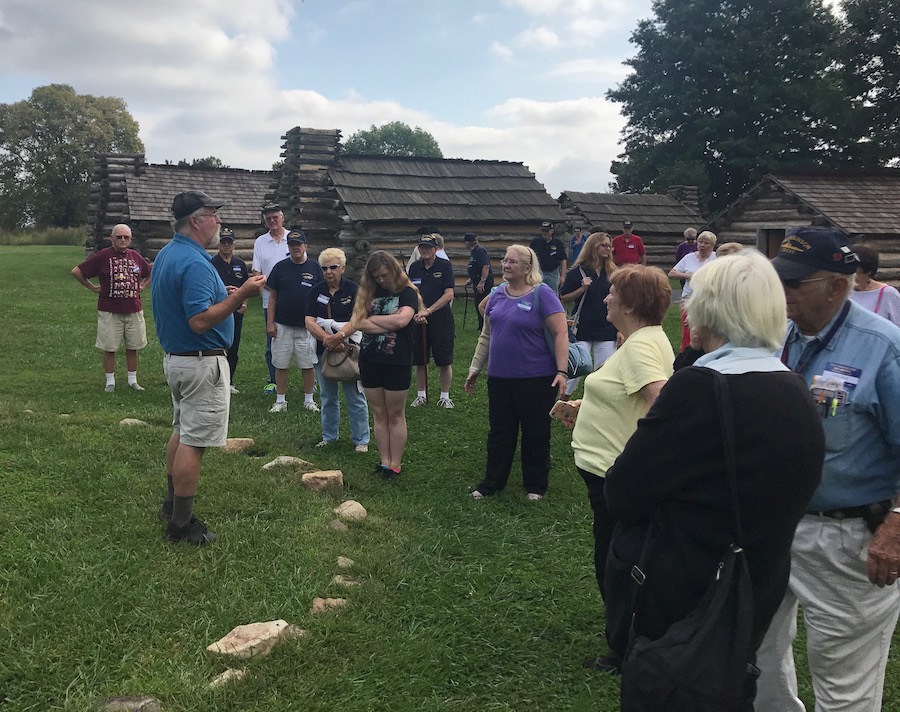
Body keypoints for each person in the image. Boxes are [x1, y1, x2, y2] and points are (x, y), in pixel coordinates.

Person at [603, 250, 825, 708]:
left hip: (688, 588)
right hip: (757, 583)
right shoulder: (796, 388)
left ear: (708, 310)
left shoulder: (699, 387)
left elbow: (623, 491)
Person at [754, 226, 900, 712]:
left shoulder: (883, 348)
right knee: (759, 658)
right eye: (780, 280)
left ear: (838, 285)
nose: (784, 293)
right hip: (775, 529)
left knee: (844, 687)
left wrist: (896, 527)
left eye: (796, 282)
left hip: (851, 541)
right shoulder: (776, 336)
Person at [555, 264, 673, 671]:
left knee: (616, 564)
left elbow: (660, 404)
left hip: (615, 474)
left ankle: (624, 649)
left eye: (612, 293)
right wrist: (584, 406)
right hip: (608, 472)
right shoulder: (641, 340)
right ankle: (628, 636)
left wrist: (640, 460)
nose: (605, 298)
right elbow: (629, 397)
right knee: (615, 558)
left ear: (631, 302)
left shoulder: (640, 347)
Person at [151, 190, 266, 545]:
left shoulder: (169, 254)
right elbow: (199, 321)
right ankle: (181, 526)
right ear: (195, 221)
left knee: (181, 430)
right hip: (201, 362)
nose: (218, 221)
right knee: (194, 441)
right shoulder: (197, 263)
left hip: (178, 361)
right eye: (213, 214)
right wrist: (238, 296)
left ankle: (172, 506)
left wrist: (225, 297)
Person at [465, 245, 569, 501]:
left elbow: (561, 333)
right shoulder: (498, 294)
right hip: (499, 378)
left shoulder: (542, 294)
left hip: (535, 378)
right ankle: (492, 483)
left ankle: (535, 485)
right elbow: (487, 334)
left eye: (512, 261)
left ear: (526, 267)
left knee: (535, 431)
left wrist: (561, 371)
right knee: (500, 432)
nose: (505, 265)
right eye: (504, 260)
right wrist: (475, 368)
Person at [348, 251, 423, 479]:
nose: (381, 280)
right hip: (370, 359)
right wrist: (386, 324)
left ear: (393, 270)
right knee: (379, 413)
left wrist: (371, 321)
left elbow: (402, 320)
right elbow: (357, 323)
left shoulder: (407, 293)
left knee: (395, 414)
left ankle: (395, 465)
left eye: (384, 275)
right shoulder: (367, 293)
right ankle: (384, 462)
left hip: (397, 360)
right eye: (376, 276)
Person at [71, 223, 151, 392]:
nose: (123, 240)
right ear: (112, 238)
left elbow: (151, 272)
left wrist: (142, 286)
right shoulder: (102, 256)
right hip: (109, 310)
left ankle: (132, 380)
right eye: (119, 237)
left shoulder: (135, 256)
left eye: (126, 237)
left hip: (133, 309)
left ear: (130, 239)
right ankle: (110, 381)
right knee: (109, 347)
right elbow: (77, 271)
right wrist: (92, 287)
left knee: (133, 345)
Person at [305, 248, 370, 452]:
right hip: (324, 350)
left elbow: (359, 318)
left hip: (350, 348)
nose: (328, 272)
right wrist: (327, 339)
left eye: (333, 267)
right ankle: (329, 436)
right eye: (324, 268)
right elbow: (309, 320)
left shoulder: (354, 289)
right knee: (327, 396)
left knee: (355, 396)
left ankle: (361, 439)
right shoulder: (316, 291)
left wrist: (340, 336)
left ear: (343, 267)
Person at [266, 230, 322, 413]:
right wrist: (270, 322)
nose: (295, 248)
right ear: (288, 247)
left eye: (299, 244)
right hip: (282, 324)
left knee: (307, 363)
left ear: (305, 246)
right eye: (292, 245)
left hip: (307, 325)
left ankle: (309, 399)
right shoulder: (280, 268)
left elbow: (321, 296)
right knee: (281, 363)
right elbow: (272, 296)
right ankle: (280, 401)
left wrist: (319, 322)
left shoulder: (315, 268)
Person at [558, 232, 618, 399]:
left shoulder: (613, 272)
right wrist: (582, 289)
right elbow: (564, 297)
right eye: (603, 245)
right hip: (582, 327)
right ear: (593, 247)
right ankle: (561, 403)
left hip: (607, 328)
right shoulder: (578, 272)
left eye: (609, 245)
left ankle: (598, 404)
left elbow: (621, 300)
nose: (607, 248)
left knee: (604, 371)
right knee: (575, 369)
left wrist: (620, 329)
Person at [408, 235, 456, 408]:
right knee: (420, 359)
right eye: (422, 247)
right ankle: (421, 395)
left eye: (429, 247)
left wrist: (428, 311)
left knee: (444, 358)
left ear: (436, 249)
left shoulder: (445, 266)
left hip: (440, 318)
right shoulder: (414, 267)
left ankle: (445, 396)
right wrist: (419, 311)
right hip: (419, 319)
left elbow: (449, 294)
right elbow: (411, 292)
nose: (425, 250)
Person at [251, 202, 290, 394]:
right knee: (272, 340)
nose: (272, 221)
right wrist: (274, 288)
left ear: (282, 217)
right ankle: (274, 380)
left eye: (275, 217)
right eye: (268, 219)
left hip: (294, 299)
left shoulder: (293, 238)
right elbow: (257, 272)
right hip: (270, 300)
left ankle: (310, 380)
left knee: (303, 340)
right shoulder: (260, 242)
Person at [210, 227, 248, 394]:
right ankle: (214, 381)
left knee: (233, 346)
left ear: (234, 244)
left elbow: (246, 287)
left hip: (236, 311)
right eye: (223, 242)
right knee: (217, 346)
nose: (226, 245)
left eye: (229, 242)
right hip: (218, 310)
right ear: (219, 244)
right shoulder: (212, 264)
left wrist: (244, 304)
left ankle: (229, 381)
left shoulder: (240, 264)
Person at [669, 230, 717, 350]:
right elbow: (671, 273)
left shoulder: (716, 258)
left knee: (707, 328)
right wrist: (686, 275)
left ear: (712, 246)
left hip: (708, 299)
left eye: (706, 243)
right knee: (688, 329)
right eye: (700, 242)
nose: (702, 245)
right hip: (689, 298)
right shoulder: (689, 257)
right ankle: (686, 353)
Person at [851, 243, 900, 326]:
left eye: (856, 272)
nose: (850, 276)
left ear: (869, 271)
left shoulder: (888, 294)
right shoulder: (841, 293)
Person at [465, 232, 493, 331]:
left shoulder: (480, 251)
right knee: (478, 303)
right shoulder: (474, 252)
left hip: (484, 284)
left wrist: (482, 282)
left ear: (468, 243)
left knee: (482, 304)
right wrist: (471, 279)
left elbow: (485, 266)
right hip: (477, 281)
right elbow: (476, 267)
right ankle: (481, 325)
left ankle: (486, 326)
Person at [530, 220, 568, 293]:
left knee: (552, 293)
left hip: (553, 273)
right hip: (539, 272)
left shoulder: (558, 243)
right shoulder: (535, 242)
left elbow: (563, 259)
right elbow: (530, 258)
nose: (544, 233)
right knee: (537, 292)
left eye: (546, 231)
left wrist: (563, 276)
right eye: (543, 231)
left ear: (551, 231)